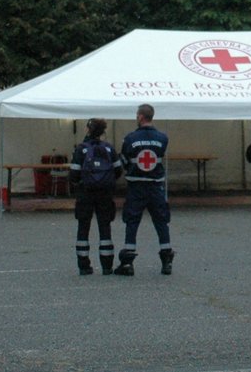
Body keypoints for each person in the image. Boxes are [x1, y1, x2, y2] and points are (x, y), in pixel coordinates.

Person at [117, 103, 174, 276]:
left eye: (137, 114)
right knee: (161, 221)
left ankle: (127, 263)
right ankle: (167, 261)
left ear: (141, 116)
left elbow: (124, 162)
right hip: (156, 185)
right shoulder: (162, 138)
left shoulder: (130, 138)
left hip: (136, 187)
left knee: (132, 222)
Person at [68, 118, 120, 275]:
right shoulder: (109, 148)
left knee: (83, 228)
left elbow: (74, 174)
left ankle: (84, 265)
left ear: (88, 130)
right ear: (103, 131)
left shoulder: (81, 149)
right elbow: (118, 171)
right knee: (105, 228)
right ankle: (107, 266)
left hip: (85, 193)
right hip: (105, 194)